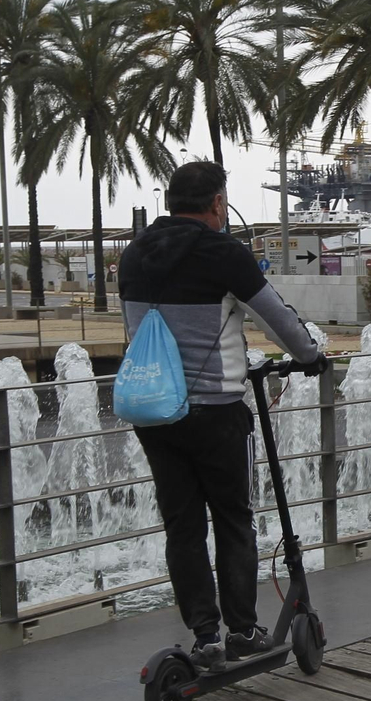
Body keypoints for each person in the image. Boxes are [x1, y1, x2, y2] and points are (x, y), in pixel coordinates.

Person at [119, 160, 328, 671]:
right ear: (217, 203)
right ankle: (242, 630)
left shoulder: (134, 254)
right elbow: (277, 317)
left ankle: (205, 635)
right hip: (214, 410)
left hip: (153, 412)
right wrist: (311, 356)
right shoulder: (222, 253)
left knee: (182, 526)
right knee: (233, 518)